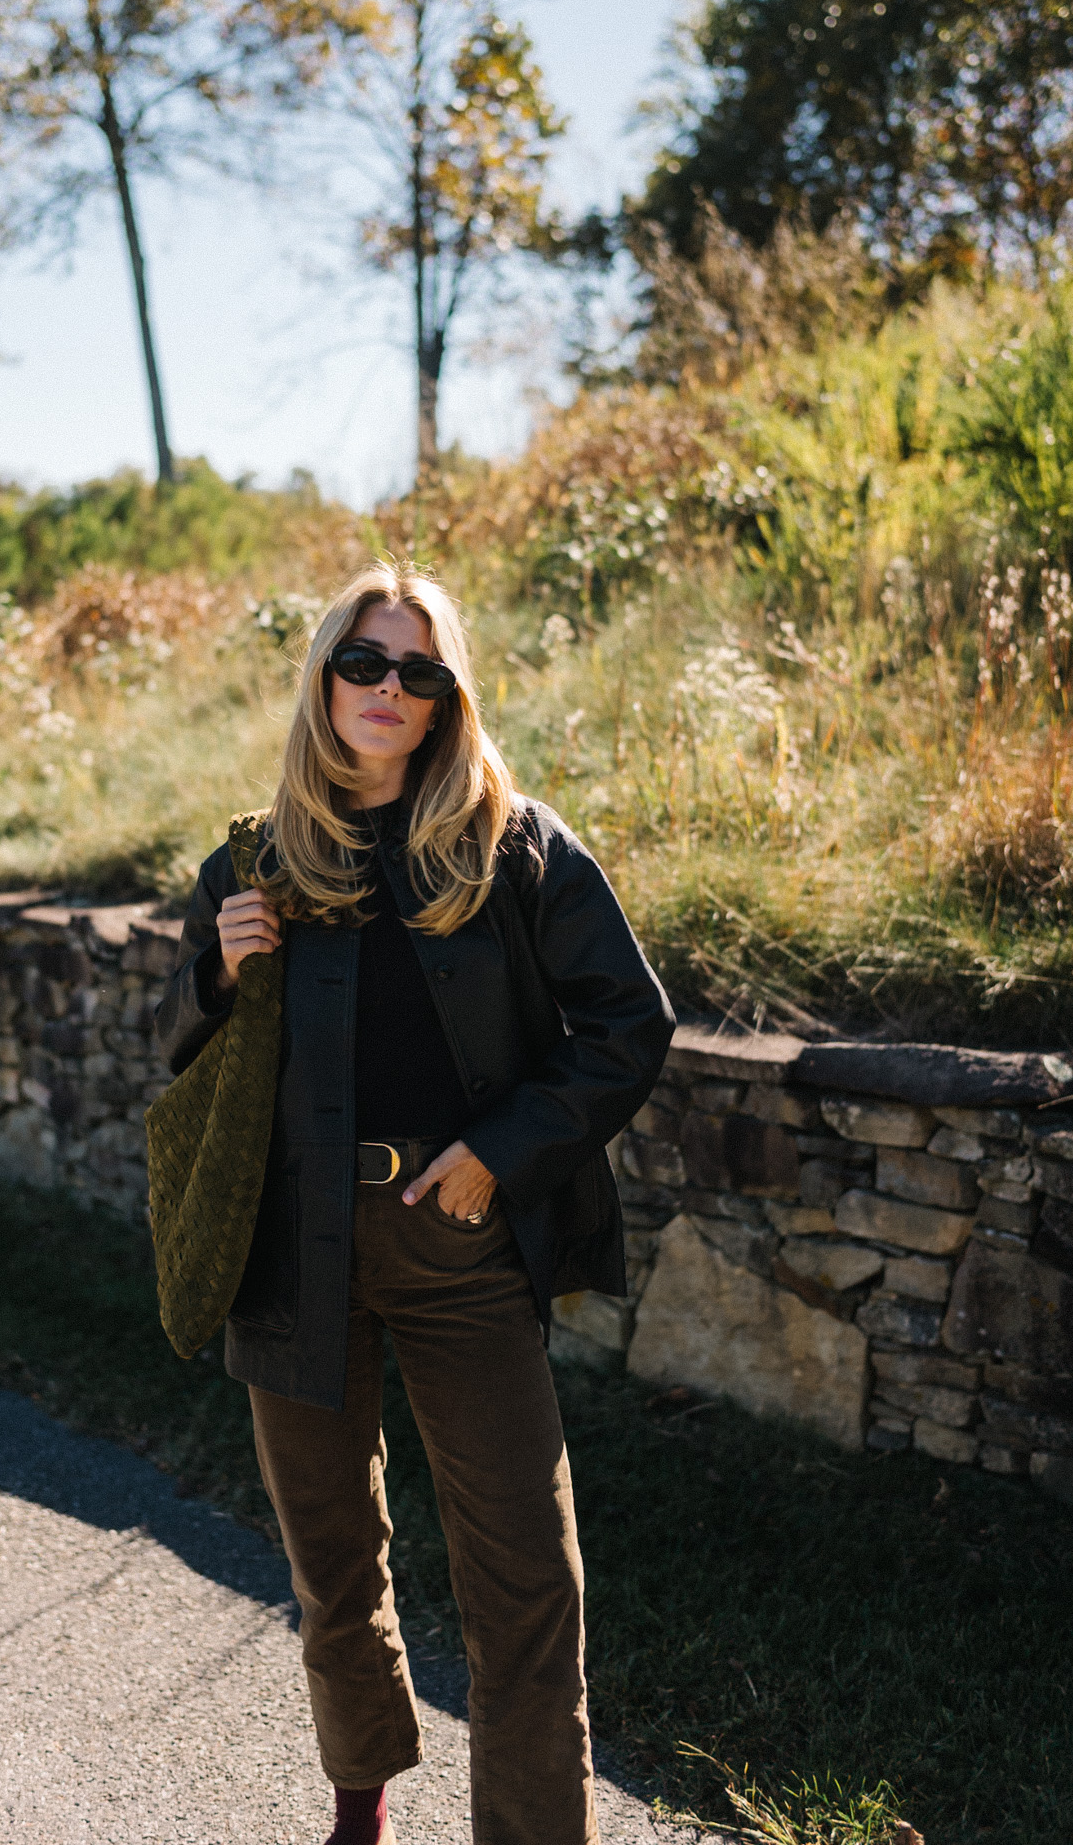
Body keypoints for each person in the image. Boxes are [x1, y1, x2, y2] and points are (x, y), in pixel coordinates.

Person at [156, 564, 673, 1845]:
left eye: (420, 672)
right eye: (365, 664)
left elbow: (629, 1023)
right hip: (293, 1246)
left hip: (456, 1241)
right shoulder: (256, 857)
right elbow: (177, 1051)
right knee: (334, 1564)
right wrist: (214, 979)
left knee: (524, 1581)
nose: (390, 690)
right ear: (325, 675)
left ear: (448, 698)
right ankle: (360, 1804)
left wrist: (501, 1151)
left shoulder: (512, 845)